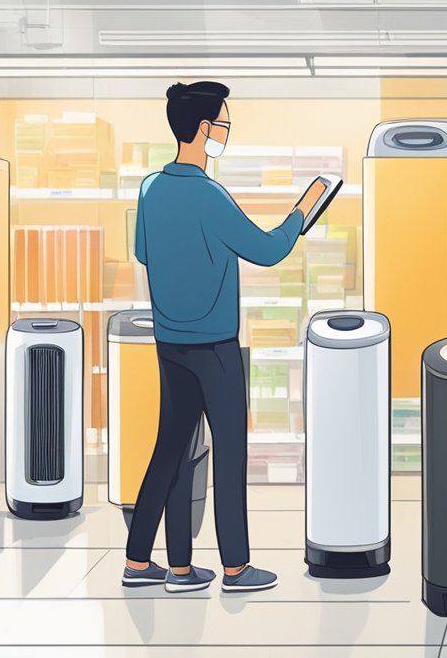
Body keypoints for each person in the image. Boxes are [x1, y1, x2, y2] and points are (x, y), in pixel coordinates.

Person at [122, 81, 326, 594]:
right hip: (215, 344)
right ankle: (236, 567)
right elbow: (266, 249)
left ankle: (159, 565)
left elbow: (144, 253)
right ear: (204, 129)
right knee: (229, 451)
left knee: (172, 449)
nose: (226, 134)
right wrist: (304, 211)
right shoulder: (209, 195)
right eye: (224, 125)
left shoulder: (150, 188)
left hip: (170, 341)